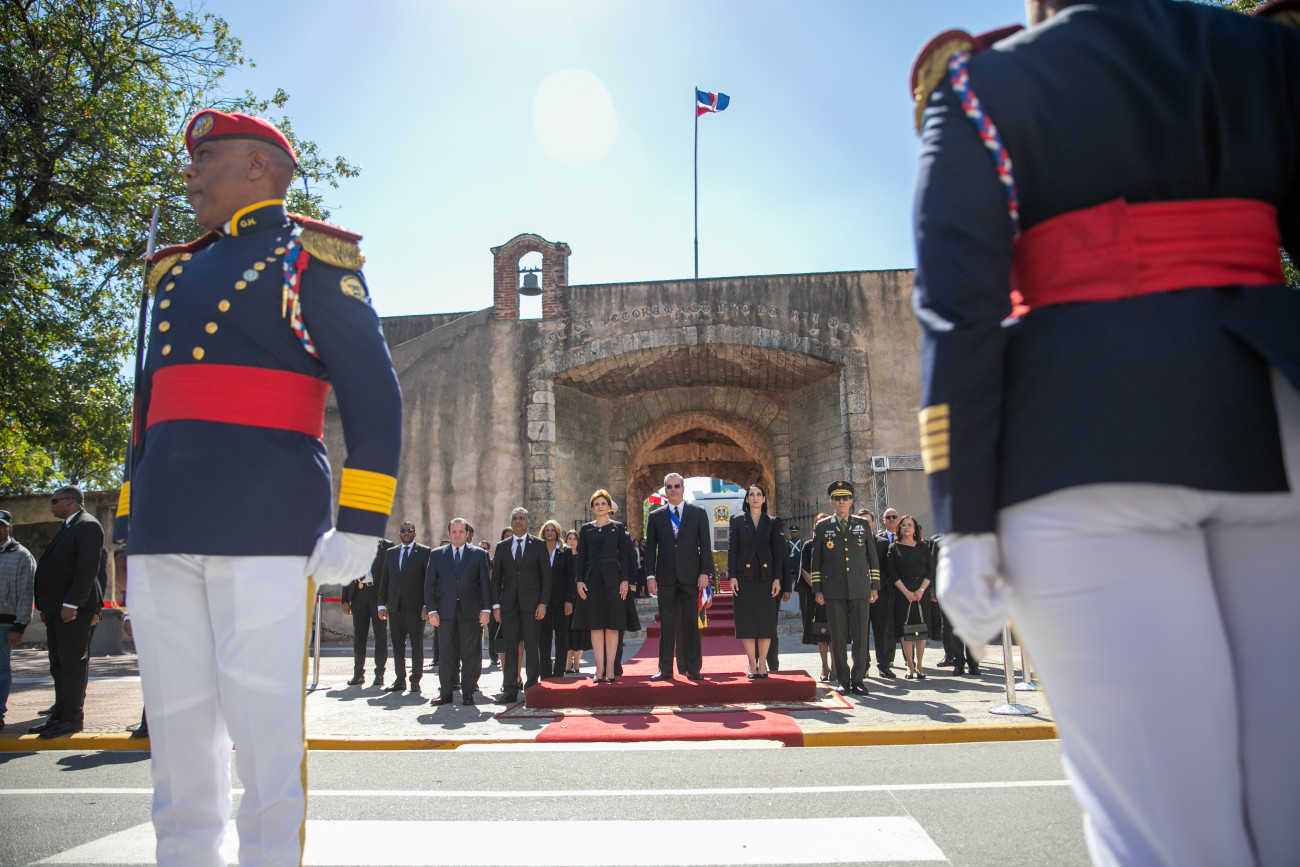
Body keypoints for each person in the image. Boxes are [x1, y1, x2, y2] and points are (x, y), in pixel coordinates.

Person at [911, 3, 1300, 864]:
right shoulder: (1273, 52)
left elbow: (958, 312)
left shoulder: (979, 84)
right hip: (1275, 406)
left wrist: (964, 519)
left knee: (1165, 832)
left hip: (1079, 433)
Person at [114, 109, 402, 867]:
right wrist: (128, 522)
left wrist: (360, 523)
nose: (190, 172)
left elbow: (374, 395)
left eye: (206, 157)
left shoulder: (310, 258)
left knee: (265, 739)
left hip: (265, 522)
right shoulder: (174, 271)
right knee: (177, 741)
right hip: (165, 521)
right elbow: (146, 408)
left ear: (257, 167)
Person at [30, 486, 104, 739]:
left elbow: (87, 570)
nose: (51, 505)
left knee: (72, 664)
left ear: (70, 502)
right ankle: (60, 715)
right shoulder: (69, 526)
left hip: (72, 610)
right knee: (59, 664)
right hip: (56, 610)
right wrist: (46, 607)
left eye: (55, 501)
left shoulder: (87, 525)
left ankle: (72, 718)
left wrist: (71, 604)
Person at [809, 481, 879, 696]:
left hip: (859, 587)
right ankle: (843, 679)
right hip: (834, 588)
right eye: (837, 499)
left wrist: (874, 586)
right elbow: (816, 561)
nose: (841, 502)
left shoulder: (862, 524)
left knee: (861, 636)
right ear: (831, 502)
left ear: (851, 501)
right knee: (838, 637)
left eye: (845, 498)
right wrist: (817, 589)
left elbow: (872, 557)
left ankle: (858, 679)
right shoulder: (823, 527)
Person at [644, 472, 714, 681]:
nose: (673, 490)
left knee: (691, 623)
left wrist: (705, 573)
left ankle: (693, 667)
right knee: (667, 624)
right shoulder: (656, 516)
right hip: (665, 577)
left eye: (676, 486)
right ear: (665, 490)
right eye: (669, 486)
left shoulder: (698, 513)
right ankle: (665, 669)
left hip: (691, 577)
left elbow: (705, 545)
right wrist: (650, 576)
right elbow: (650, 549)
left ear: (683, 488)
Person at [425, 518, 492, 706]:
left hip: (470, 611)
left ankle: (468, 692)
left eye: (461, 532)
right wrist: (431, 610)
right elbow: (429, 584)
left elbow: (484, 584)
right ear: (448, 534)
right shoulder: (437, 555)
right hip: (445, 612)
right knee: (446, 653)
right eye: (454, 532)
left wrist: (486, 609)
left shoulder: (478, 554)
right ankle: (446, 693)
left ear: (467, 534)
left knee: (470, 653)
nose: (457, 535)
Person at [573, 490, 637, 683]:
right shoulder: (586, 529)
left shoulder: (618, 527)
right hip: (591, 579)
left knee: (612, 625)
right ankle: (599, 668)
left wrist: (625, 580)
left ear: (609, 507)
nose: (600, 506)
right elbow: (581, 557)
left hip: (614, 580)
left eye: (603, 503)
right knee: (596, 625)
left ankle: (610, 668)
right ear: (592, 508)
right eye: (597, 504)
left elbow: (624, 556)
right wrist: (579, 580)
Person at [490, 508, 552, 704]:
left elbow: (546, 577)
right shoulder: (502, 547)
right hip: (508, 606)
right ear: (511, 522)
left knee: (532, 647)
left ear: (528, 522)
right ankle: (510, 689)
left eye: (521, 518)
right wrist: (496, 605)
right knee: (510, 648)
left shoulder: (539, 545)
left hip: (532, 606)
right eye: (515, 518)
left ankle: (532, 688)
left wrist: (543, 603)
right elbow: (496, 579)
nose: (518, 521)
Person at [728, 483, 785, 678]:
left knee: (765, 621)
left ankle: (763, 663)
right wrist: (732, 576)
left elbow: (778, 553)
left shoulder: (772, 522)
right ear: (746, 499)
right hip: (743, 577)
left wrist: (777, 579)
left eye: (759, 494)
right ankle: (752, 664)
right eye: (751, 494)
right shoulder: (737, 521)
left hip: (765, 577)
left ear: (764, 498)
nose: (755, 497)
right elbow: (732, 550)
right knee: (747, 622)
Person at [377, 522, 431, 693]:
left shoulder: (424, 552)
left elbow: (428, 581)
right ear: (399, 533)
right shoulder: (391, 553)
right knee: (397, 645)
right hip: (395, 607)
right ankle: (400, 680)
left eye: (410, 530)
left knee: (417, 645)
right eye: (403, 530)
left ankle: (415, 680)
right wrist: (381, 604)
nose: (406, 533)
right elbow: (385, 579)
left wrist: (426, 605)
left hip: (416, 608)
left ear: (415, 533)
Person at [885, 516, 934, 680]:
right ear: (899, 528)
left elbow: (930, 570)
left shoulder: (923, 546)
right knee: (905, 629)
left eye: (910, 525)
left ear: (915, 528)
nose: (906, 527)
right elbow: (892, 573)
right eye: (903, 525)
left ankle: (919, 665)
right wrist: (906, 592)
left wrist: (921, 590)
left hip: (921, 590)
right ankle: (909, 665)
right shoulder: (894, 547)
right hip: (902, 591)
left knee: (921, 628)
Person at [0, 510, 36, 731]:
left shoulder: (22, 556)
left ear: (9, 528)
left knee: (1, 669)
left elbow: (26, 592)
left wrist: (20, 626)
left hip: (5, 625)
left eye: (1, 526)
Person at [342, 537, 393, 687]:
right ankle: (358, 673)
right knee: (359, 636)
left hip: (377, 594)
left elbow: (390, 572)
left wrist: (387, 599)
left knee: (380, 635)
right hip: (358, 593)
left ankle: (379, 673)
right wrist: (345, 600)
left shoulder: (386, 546)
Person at [861, 510, 897, 679]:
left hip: (880, 593)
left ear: (874, 524)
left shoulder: (882, 543)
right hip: (859, 594)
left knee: (882, 631)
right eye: (861, 522)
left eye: (868, 522)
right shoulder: (852, 542)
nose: (865, 525)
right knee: (861, 633)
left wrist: (874, 587)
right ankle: (863, 666)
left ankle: (884, 665)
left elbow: (887, 569)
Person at [537, 520, 573, 679]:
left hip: (561, 600)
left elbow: (571, 577)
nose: (549, 533)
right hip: (543, 601)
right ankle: (545, 672)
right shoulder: (538, 550)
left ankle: (559, 671)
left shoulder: (565, 551)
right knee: (543, 637)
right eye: (547, 530)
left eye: (552, 530)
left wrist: (569, 600)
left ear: (557, 532)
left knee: (561, 637)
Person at [563, 529, 589, 673]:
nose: (572, 541)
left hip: (580, 598)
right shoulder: (563, 556)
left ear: (578, 541)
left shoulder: (582, 558)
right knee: (567, 630)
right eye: (569, 538)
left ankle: (577, 663)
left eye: (574, 538)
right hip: (567, 597)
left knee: (580, 630)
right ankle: (568, 663)